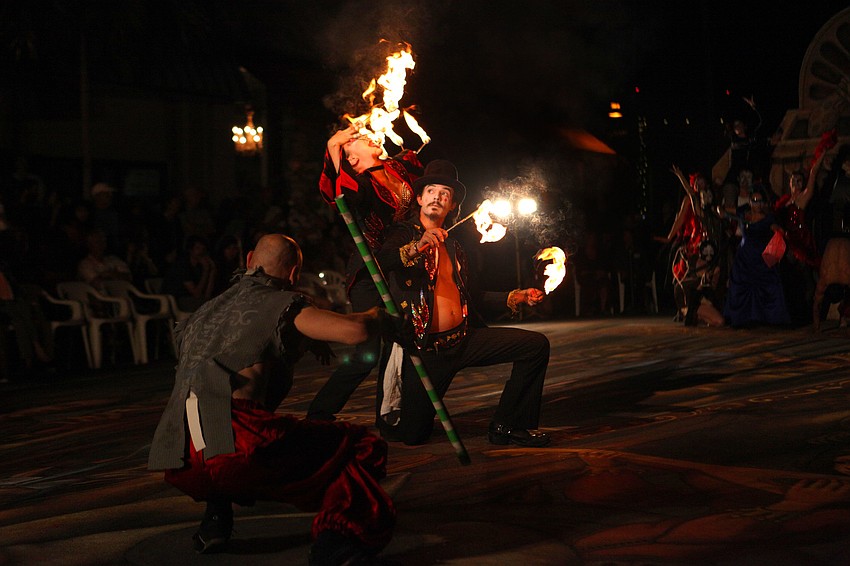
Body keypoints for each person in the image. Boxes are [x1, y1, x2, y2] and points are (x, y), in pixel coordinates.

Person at [148, 234, 397, 565]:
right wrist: (381, 315)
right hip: (235, 446)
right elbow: (355, 332)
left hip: (179, 454)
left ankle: (216, 519)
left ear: (250, 259)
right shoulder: (281, 302)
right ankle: (337, 542)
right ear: (294, 274)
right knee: (360, 445)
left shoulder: (206, 310)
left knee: (223, 432)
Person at [374, 159, 551, 447]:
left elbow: (474, 296)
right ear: (419, 198)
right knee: (412, 435)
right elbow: (382, 261)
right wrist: (418, 246)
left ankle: (508, 425)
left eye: (445, 194)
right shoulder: (403, 234)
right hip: (426, 351)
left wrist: (514, 297)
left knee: (535, 346)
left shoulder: (454, 246)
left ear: (452, 205)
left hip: (464, 341)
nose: (437, 197)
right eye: (431, 190)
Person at [307, 124, 422, 422]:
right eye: (355, 140)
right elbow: (340, 198)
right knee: (366, 353)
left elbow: (421, 168)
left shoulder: (395, 167)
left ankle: (393, 413)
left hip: (399, 264)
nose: (367, 136)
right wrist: (333, 147)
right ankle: (320, 412)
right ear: (353, 159)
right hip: (369, 274)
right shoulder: (360, 184)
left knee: (407, 339)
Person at [723, 189, 790, 328]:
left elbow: (776, 228)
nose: (757, 204)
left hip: (761, 260)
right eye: (754, 200)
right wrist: (721, 211)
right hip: (743, 259)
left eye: (760, 201)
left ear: (764, 203)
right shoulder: (743, 214)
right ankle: (741, 318)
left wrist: (779, 230)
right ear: (749, 202)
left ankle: (769, 318)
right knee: (740, 287)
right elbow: (723, 210)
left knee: (768, 286)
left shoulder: (768, 218)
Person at [162, 235, 217, 312]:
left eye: (203, 249)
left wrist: (212, 271)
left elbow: (207, 294)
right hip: (177, 300)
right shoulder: (183, 265)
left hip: (191, 299)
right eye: (197, 248)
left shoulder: (199, 267)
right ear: (190, 250)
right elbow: (196, 294)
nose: (201, 252)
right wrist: (206, 271)